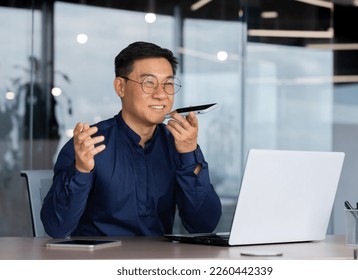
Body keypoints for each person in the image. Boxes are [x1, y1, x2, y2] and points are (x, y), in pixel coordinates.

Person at [40, 41, 222, 238]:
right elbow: (56, 228)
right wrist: (82, 170)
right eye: (149, 83)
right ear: (120, 87)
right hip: (98, 262)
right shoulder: (89, 144)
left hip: (155, 265)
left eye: (168, 84)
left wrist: (188, 154)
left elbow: (203, 225)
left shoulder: (179, 144)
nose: (161, 95)